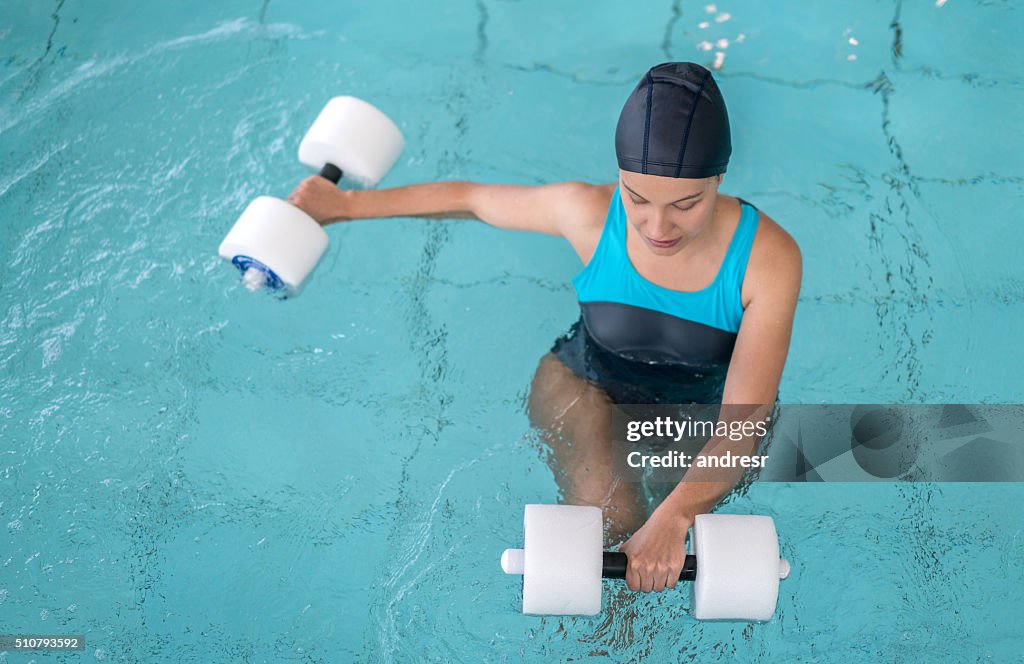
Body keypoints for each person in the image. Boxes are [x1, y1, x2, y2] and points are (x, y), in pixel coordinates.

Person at [288, 62, 802, 596]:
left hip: (701, 409)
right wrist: (344, 206)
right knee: (612, 522)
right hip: (587, 384)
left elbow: (744, 420)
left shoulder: (768, 259)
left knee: (691, 518)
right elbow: (473, 200)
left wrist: (674, 520)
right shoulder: (588, 212)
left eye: (685, 204)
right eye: (637, 198)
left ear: (719, 180)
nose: (656, 227)